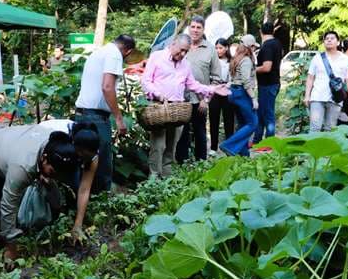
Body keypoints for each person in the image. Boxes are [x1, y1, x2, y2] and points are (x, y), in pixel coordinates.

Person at [0, 125, 79, 262]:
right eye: (52, 172)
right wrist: (12, 246)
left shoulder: (55, 144)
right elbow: (9, 205)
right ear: (44, 158)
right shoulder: (23, 167)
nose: (55, 176)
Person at [141, 35, 227, 177]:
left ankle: (166, 176)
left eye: (185, 52)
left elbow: (192, 84)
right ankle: (154, 177)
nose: (182, 54)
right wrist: (157, 94)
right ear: (173, 44)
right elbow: (146, 81)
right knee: (158, 145)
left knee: (171, 145)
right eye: (180, 50)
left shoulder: (185, 64)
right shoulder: (157, 57)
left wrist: (212, 89)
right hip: (159, 107)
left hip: (178, 110)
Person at [74, 34, 136, 192]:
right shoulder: (115, 54)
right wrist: (119, 118)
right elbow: (107, 87)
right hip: (96, 118)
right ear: (128, 51)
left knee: (84, 163)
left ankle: (83, 205)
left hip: (82, 115)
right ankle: (103, 206)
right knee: (101, 166)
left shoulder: (100, 52)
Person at [38, 120, 101, 243]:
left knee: (74, 184)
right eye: (82, 157)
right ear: (75, 148)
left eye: (87, 158)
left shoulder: (92, 155)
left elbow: (84, 189)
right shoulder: (59, 144)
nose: (84, 161)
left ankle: (66, 217)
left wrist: (78, 224)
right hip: (44, 145)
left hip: (68, 156)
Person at [176, 15, 221, 164]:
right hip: (180, 97)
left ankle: (201, 163)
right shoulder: (181, 45)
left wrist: (206, 100)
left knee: (199, 131)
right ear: (189, 28)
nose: (195, 30)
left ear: (203, 30)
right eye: (193, 27)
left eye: (198, 28)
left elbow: (216, 78)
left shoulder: (210, 49)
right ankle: (182, 162)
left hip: (200, 99)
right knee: (181, 132)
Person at [304, 31, 348, 132]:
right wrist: (307, 96)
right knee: (315, 128)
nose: (329, 40)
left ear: (338, 42)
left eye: (332, 38)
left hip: (335, 98)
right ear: (324, 42)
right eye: (327, 39)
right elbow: (310, 78)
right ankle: (312, 148)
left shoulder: (345, 59)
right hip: (317, 97)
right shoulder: (317, 58)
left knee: (330, 129)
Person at [219, 37, 259, 156]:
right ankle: (228, 145)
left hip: (233, 93)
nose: (254, 49)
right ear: (250, 47)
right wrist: (253, 98)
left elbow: (232, 78)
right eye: (253, 47)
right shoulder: (246, 60)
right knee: (253, 123)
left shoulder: (236, 58)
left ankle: (244, 155)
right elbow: (246, 81)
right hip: (242, 93)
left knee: (242, 124)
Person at [254, 22, 283, 143]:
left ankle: (269, 142)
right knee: (261, 113)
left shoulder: (267, 46)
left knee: (268, 114)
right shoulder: (277, 43)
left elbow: (267, 67)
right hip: (271, 83)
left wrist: (252, 69)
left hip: (268, 84)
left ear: (261, 32)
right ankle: (257, 140)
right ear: (273, 31)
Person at [209, 38, 235, 153]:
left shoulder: (232, 61)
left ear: (226, 48)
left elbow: (234, 77)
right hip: (215, 90)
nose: (218, 50)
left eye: (220, 48)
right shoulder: (212, 60)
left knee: (229, 118)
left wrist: (228, 85)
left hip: (227, 90)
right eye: (216, 48)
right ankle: (213, 147)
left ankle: (229, 146)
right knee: (214, 118)